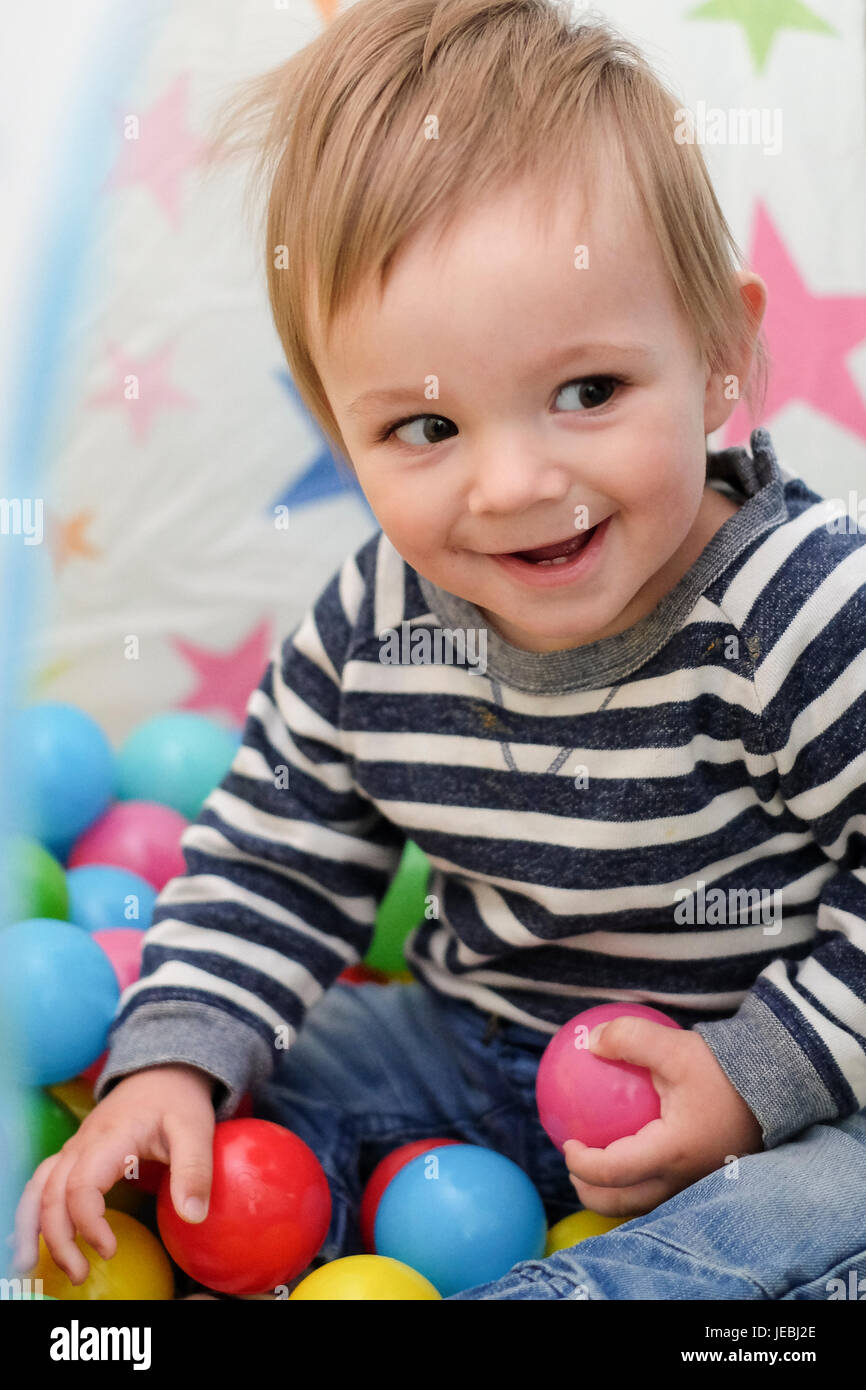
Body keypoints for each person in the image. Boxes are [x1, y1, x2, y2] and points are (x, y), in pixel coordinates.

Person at [12, 0, 866, 1300]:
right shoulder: (373, 621)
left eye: (587, 392)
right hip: (468, 1051)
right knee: (261, 1068)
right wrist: (175, 1063)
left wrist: (752, 1081)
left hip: (771, 1097)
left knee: (830, 1196)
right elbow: (267, 856)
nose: (516, 481)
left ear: (718, 357)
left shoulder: (797, 605)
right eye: (422, 427)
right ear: (338, 430)